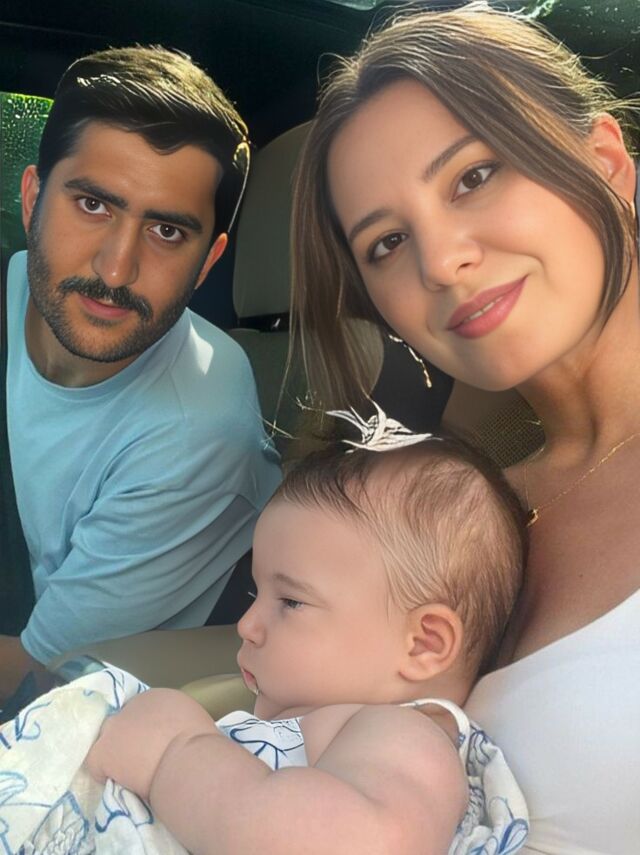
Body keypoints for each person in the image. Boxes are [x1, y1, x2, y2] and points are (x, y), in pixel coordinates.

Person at [288, 3, 640, 852]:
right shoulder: (454, 520)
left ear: (605, 162)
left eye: (474, 176)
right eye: (386, 242)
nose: (441, 262)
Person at [75, 429, 527, 854]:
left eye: (291, 602)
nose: (247, 625)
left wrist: (172, 756)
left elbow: (349, 844)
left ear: (423, 645)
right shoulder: (336, 723)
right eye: (255, 594)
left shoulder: (410, 739)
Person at [1, 46, 281, 703]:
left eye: (167, 232)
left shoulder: (199, 424)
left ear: (208, 261)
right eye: (92, 204)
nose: (116, 268)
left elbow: (37, 673)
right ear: (33, 198)